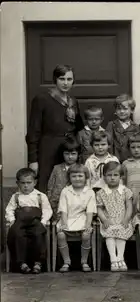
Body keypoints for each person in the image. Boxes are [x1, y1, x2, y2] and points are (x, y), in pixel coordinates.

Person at [26, 64, 84, 193]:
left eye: (69, 79)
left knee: (67, 182)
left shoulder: (72, 101)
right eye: (62, 79)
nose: (65, 83)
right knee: (45, 183)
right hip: (48, 147)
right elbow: (33, 131)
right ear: (55, 80)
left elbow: (78, 128)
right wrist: (33, 160)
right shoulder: (42, 99)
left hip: (68, 148)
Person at [5, 168, 53, 274]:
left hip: (36, 222)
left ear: (35, 182)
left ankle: (38, 262)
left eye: (29, 183)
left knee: (39, 235)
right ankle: (21, 263)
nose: (26, 186)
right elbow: (9, 209)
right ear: (18, 183)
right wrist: (12, 220)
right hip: (20, 223)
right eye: (22, 183)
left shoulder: (40, 196)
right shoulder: (16, 197)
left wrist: (44, 221)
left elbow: (47, 210)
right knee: (17, 235)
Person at [56, 164, 96, 273]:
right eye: (74, 176)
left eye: (80, 176)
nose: (77, 179)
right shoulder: (66, 191)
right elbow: (63, 209)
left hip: (82, 218)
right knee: (60, 234)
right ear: (69, 178)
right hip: (68, 218)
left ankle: (84, 261)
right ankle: (66, 262)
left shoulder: (90, 192)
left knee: (86, 234)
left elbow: (90, 211)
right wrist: (64, 223)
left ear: (85, 177)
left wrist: (88, 224)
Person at [96, 162, 134, 272]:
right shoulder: (101, 193)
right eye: (109, 175)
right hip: (109, 219)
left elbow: (129, 207)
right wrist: (104, 219)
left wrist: (126, 219)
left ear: (121, 176)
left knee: (122, 230)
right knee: (110, 233)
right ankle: (113, 259)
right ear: (104, 177)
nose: (112, 178)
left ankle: (120, 258)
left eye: (115, 175)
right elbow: (99, 208)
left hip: (122, 219)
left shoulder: (125, 191)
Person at [47, 137, 80, 213]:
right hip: (56, 202)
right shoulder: (56, 168)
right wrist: (50, 199)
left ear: (78, 154)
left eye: (73, 154)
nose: (70, 157)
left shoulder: (81, 169)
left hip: (74, 203)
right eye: (67, 154)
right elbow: (50, 186)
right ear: (62, 154)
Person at [106, 94, 140, 162]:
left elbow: (138, 144)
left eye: (125, 109)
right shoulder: (111, 125)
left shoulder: (136, 127)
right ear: (115, 110)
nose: (122, 111)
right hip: (114, 160)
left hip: (130, 160)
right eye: (119, 109)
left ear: (132, 110)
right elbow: (108, 143)